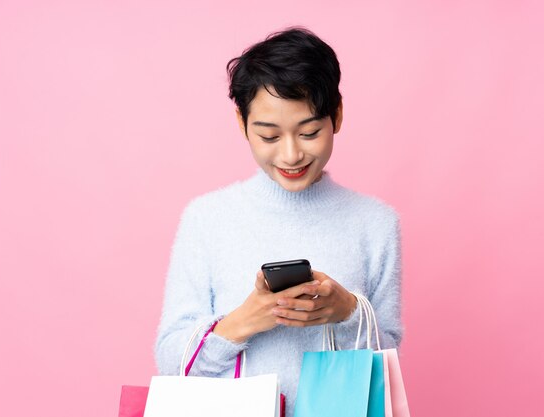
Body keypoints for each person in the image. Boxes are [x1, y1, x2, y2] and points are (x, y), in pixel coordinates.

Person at [154, 27, 402, 415]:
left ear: (336, 115)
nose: (290, 155)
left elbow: (386, 362)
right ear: (242, 124)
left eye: (309, 132)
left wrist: (348, 312)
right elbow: (171, 359)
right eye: (269, 137)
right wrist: (243, 321)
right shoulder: (206, 218)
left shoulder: (376, 223)